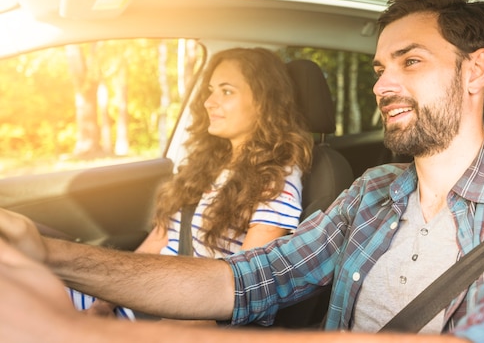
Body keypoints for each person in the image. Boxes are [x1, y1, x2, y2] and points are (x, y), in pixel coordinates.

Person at [1, 0, 484, 342]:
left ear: (476, 70)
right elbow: (242, 281)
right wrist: (53, 256)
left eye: (410, 61)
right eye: (380, 67)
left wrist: (76, 332)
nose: (383, 84)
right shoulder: (373, 192)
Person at [71, 46, 314, 318]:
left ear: (264, 101)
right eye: (211, 90)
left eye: (226, 91)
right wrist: (104, 302)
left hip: (171, 314)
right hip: (137, 293)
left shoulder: (276, 177)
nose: (209, 102)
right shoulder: (212, 160)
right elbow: (159, 238)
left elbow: (244, 287)